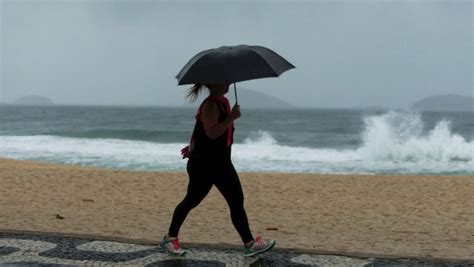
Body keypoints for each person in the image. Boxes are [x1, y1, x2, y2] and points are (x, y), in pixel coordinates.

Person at [160, 83, 275, 257]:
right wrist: (232, 117)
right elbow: (212, 133)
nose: (228, 83)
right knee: (192, 200)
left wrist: (230, 117)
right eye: (225, 80)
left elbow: (205, 133)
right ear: (214, 83)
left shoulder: (223, 102)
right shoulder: (210, 105)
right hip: (204, 165)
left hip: (220, 163)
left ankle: (249, 243)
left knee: (236, 200)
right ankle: (170, 238)